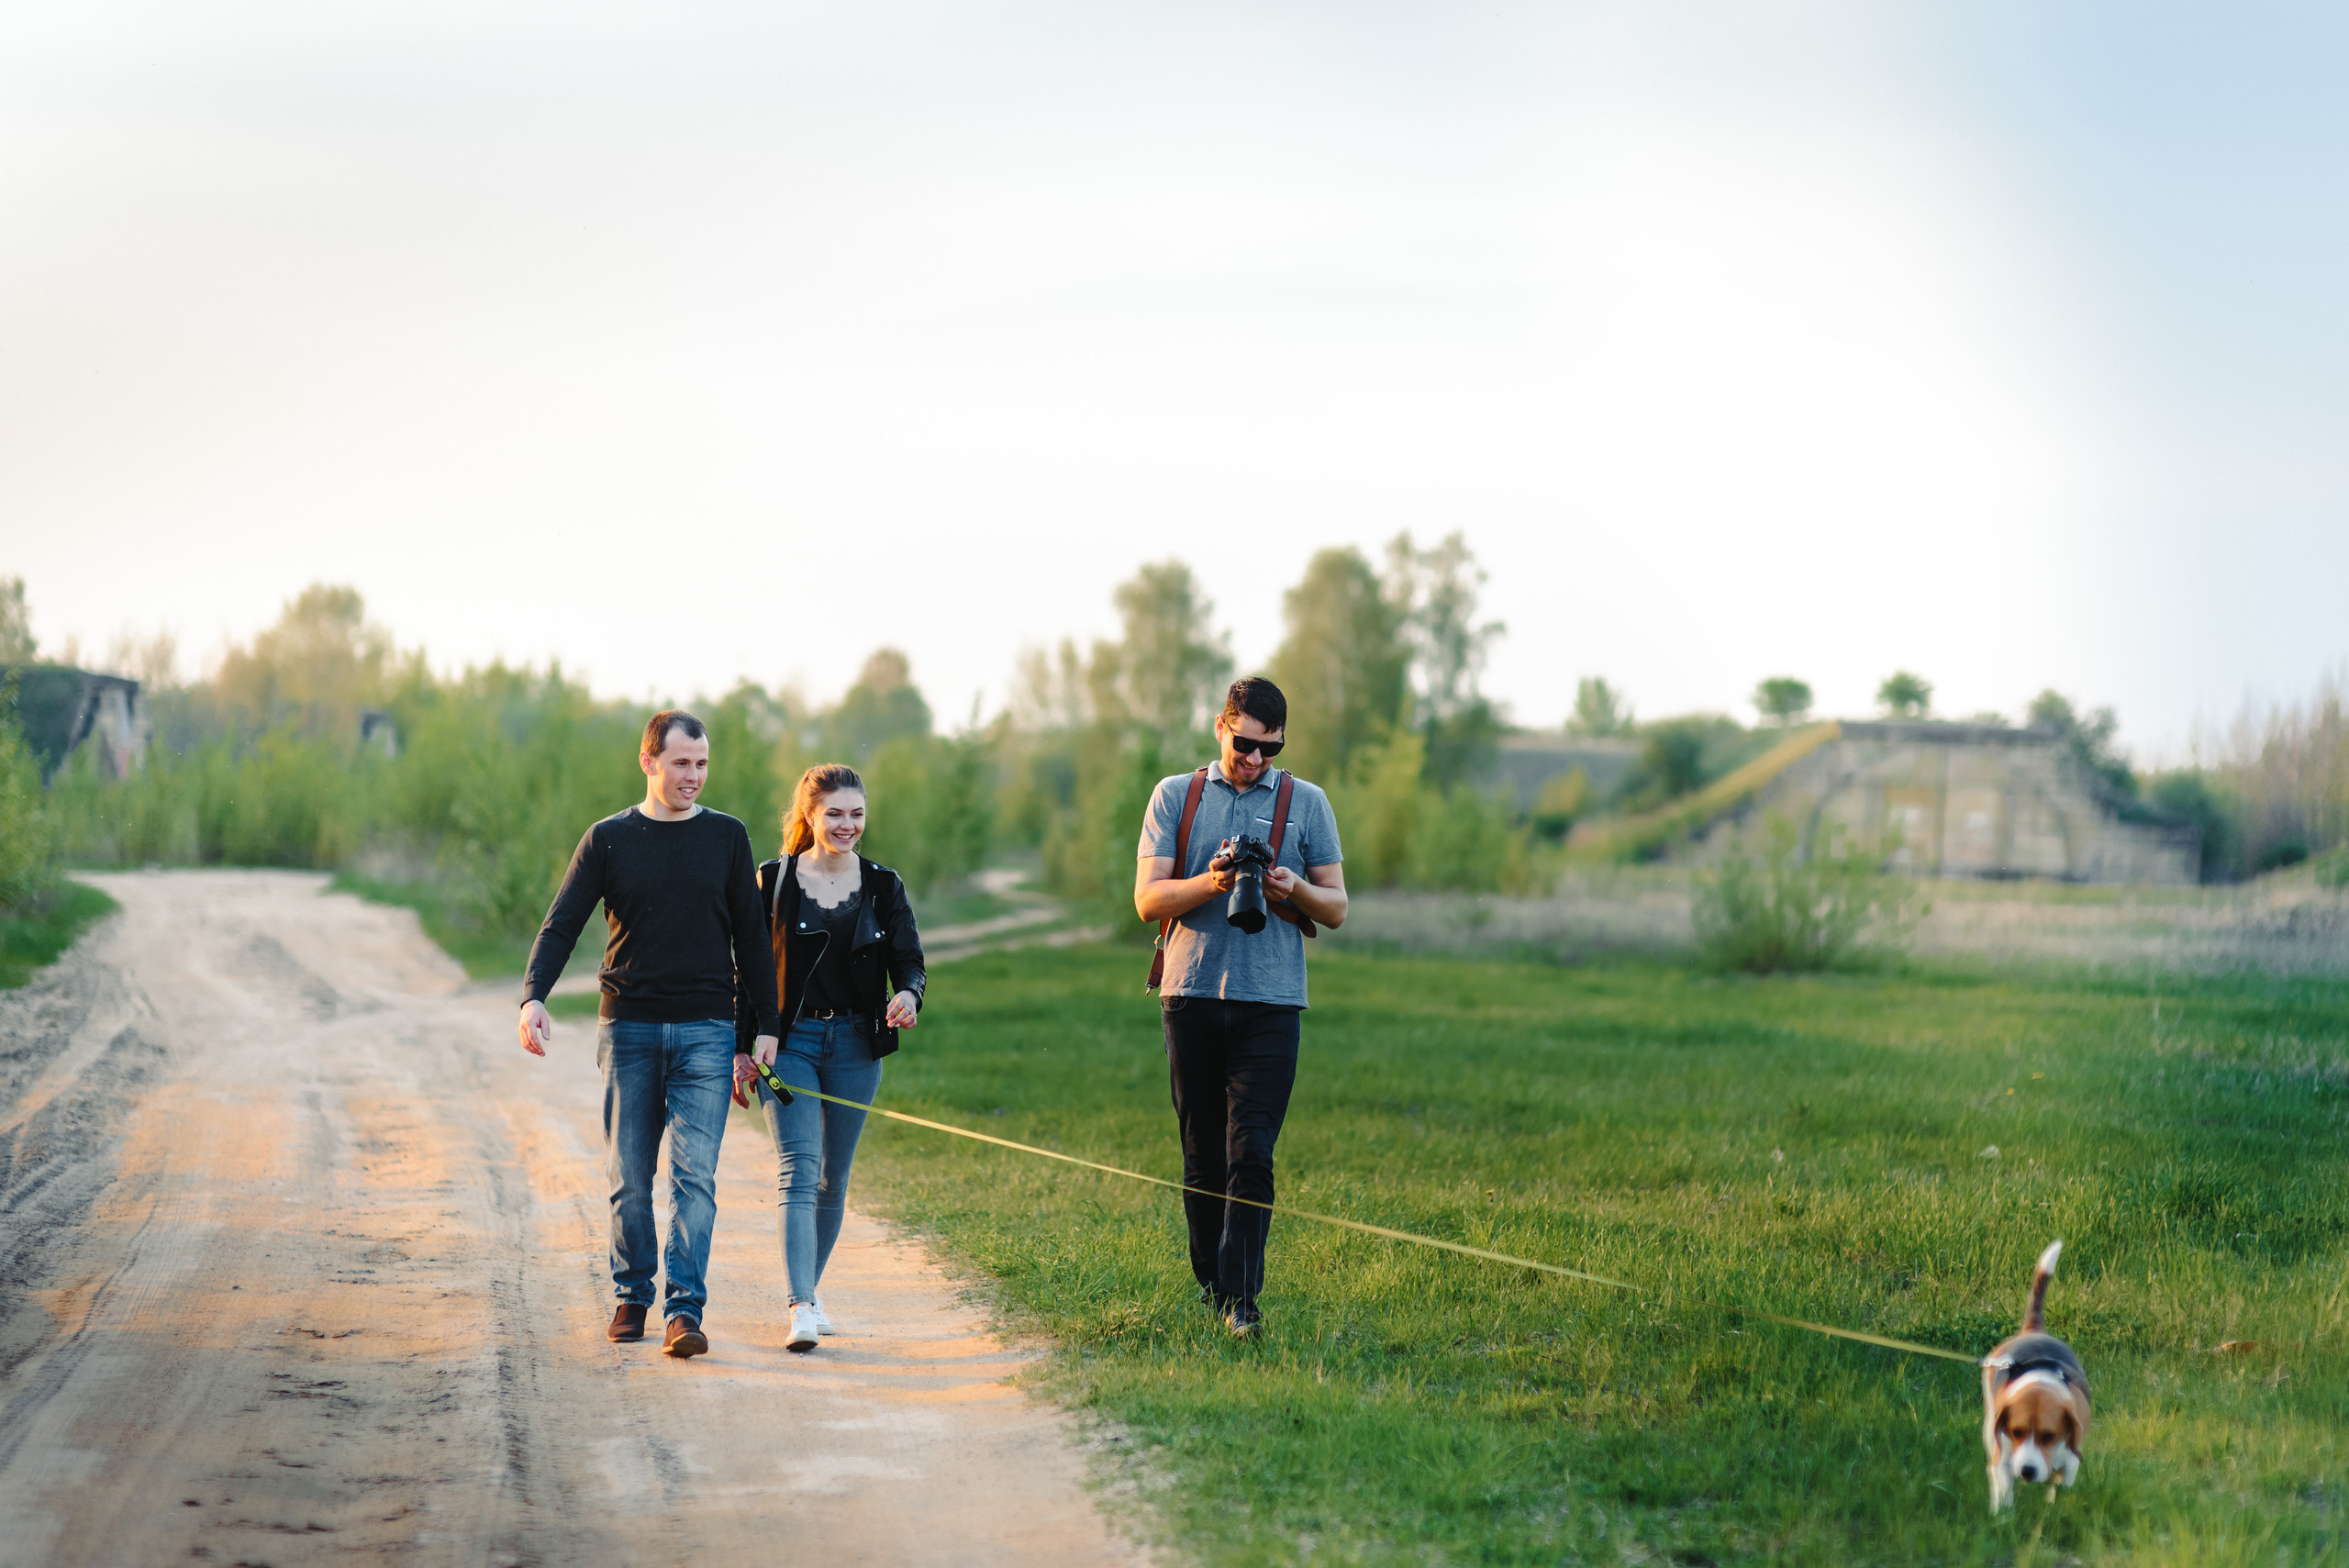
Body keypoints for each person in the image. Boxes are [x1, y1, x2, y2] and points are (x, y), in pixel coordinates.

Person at [518, 710, 779, 1359]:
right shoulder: (608, 839)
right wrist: (533, 997)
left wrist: (763, 1028)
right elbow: (562, 924)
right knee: (629, 1177)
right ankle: (633, 1291)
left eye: (702, 763)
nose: (693, 775)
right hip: (628, 1028)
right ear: (649, 761)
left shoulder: (727, 837)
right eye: (681, 762)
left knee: (696, 1180)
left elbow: (751, 939)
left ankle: (683, 1311)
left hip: (708, 1033)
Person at [1134, 676, 1347, 1338]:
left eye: (1270, 749)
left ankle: (1242, 1301)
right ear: (1220, 726)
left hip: (1272, 1000)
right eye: (1245, 744)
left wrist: (1292, 887)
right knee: (1203, 1156)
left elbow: (1337, 906)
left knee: (1251, 1150)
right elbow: (1147, 900)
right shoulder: (1177, 795)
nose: (1255, 760)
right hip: (1189, 992)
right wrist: (1214, 879)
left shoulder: (1307, 803)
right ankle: (1212, 1285)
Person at [733, 763, 926, 1353]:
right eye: (835, 813)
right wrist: (744, 1046)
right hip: (785, 1045)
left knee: (831, 1179)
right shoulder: (772, 880)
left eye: (857, 814)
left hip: (855, 1047)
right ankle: (798, 1308)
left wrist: (907, 995)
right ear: (810, 815)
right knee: (797, 1168)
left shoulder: (884, 884)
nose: (847, 825)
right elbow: (746, 970)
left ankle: (809, 1294)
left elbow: (910, 961)